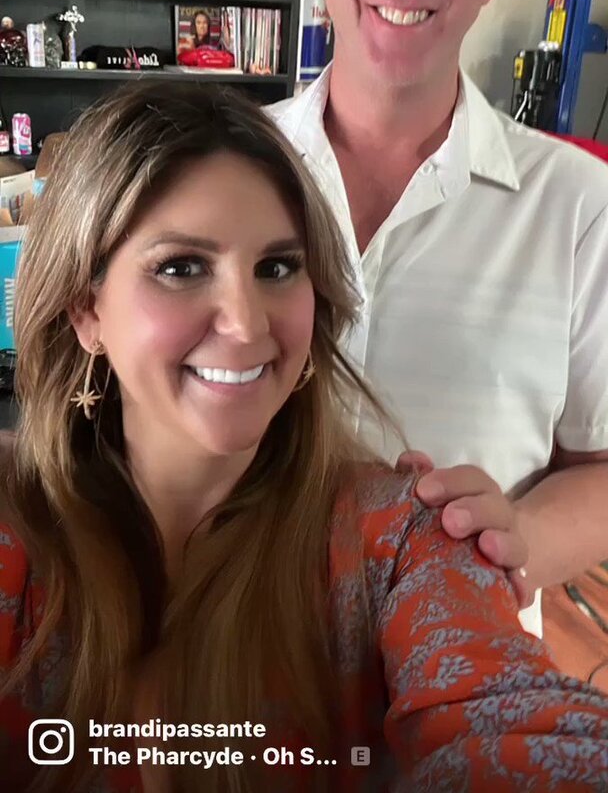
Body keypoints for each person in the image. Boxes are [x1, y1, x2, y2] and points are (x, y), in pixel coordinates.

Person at [1, 81, 607, 793]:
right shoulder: (17, 529)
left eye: (277, 267)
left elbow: (509, 725)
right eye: (181, 267)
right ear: (86, 311)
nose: (246, 323)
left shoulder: (403, 539)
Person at [266, 0, 608, 637]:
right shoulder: (217, 172)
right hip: (227, 666)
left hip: (463, 676)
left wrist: (522, 535)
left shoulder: (581, 207)